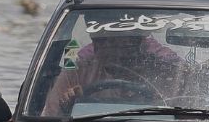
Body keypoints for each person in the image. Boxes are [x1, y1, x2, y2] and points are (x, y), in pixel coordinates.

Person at [43, 29, 182, 116]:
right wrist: (67, 106)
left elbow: (185, 113)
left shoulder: (166, 68)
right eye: (102, 41)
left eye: (125, 43)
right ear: (94, 41)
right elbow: (48, 120)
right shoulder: (78, 69)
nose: (112, 50)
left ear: (140, 41)